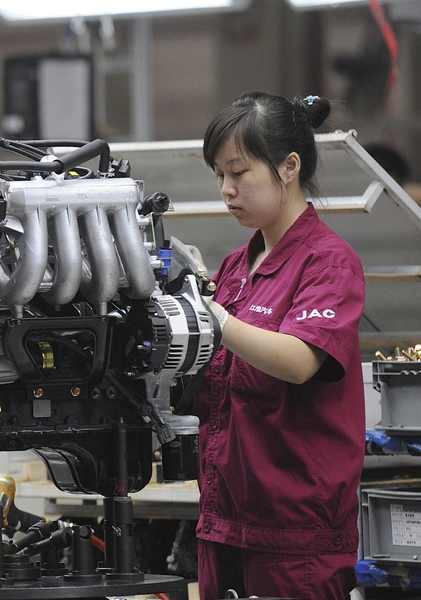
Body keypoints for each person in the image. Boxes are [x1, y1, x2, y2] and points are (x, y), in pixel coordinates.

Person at [194, 92, 365, 600]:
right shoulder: (230, 269)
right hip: (223, 519)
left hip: (295, 536)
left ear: (288, 168)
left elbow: (297, 361)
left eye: (239, 173)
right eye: (218, 175)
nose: (226, 190)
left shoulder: (328, 263)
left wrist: (215, 319)